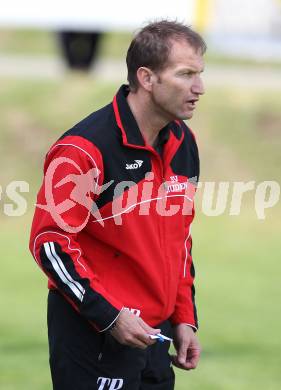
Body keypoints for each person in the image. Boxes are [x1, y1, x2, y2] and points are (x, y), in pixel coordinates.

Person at [29, 19, 206, 390]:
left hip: (154, 338)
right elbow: (49, 244)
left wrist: (184, 319)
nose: (199, 88)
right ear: (146, 77)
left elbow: (179, 242)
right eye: (186, 74)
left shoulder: (182, 142)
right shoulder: (84, 148)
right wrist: (109, 317)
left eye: (199, 74)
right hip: (94, 335)